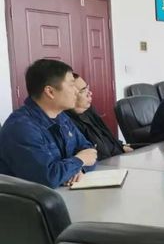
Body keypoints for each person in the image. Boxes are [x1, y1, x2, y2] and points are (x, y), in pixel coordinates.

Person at [0, 59, 97, 188]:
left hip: (62, 193)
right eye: (71, 85)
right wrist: (80, 160)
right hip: (30, 199)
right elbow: (48, 177)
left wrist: (79, 169)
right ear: (50, 92)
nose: (76, 91)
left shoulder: (61, 117)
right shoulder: (20, 127)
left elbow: (89, 151)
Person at [66, 74, 133, 161]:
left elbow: (106, 136)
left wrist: (121, 147)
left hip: (117, 155)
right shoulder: (66, 122)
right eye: (83, 90)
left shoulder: (89, 110)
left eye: (87, 88)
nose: (90, 93)